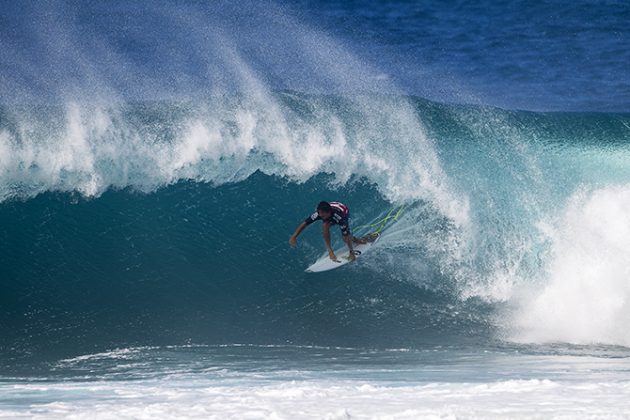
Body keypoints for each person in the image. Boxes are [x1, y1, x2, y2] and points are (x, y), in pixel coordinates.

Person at [289, 201, 366, 262]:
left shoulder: (340, 218)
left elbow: (346, 234)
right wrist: (294, 237)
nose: (320, 216)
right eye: (319, 214)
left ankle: (356, 240)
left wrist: (351, 253)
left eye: (322, 215)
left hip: (343, 211)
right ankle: (330, 251)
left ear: (328, 213)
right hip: (330, 207)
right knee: (325, 225)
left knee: (345, 238)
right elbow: (305, 223)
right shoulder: (319, 213)